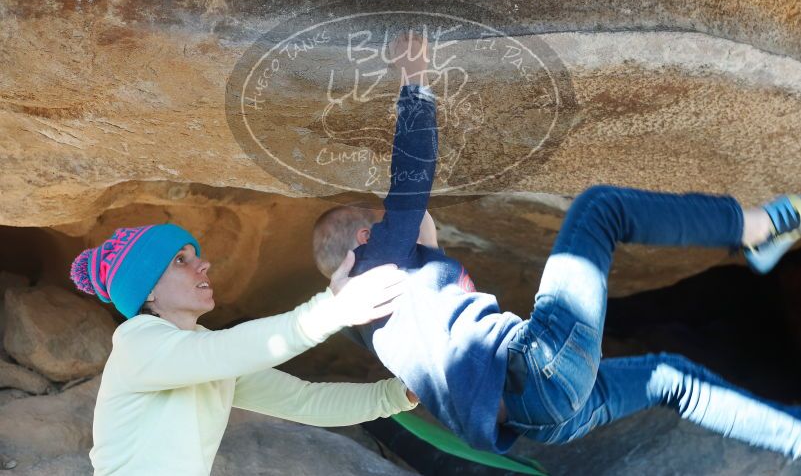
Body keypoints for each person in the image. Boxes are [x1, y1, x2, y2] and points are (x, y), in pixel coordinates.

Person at [312, 30, 801, 458]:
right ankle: (761, 227)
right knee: (600, 211)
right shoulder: (371, 263)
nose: (392, 225)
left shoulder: (376, 322)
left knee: (670, 379)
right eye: (382, 223)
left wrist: (432, 251)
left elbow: (434, 332)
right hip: (537, 370)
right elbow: (411, 177)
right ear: (364, 237)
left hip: (545, 421)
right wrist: (412, 76)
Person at [69, 223, 418, 475]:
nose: (202, 264)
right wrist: (331, 309)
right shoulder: (138, 342)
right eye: (180, 259)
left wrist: (397, 396)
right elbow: (228, 350)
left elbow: (303, 401)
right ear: (147, 292)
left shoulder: (201, 355)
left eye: (196, 256)